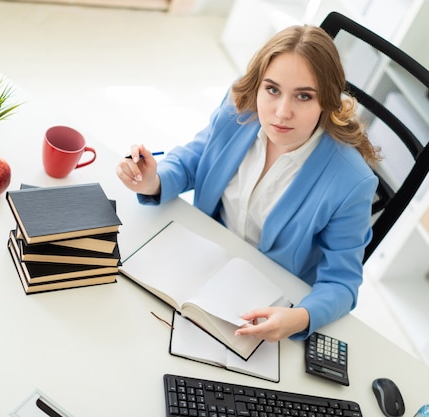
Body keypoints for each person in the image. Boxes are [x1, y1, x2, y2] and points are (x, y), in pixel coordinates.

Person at [116, 24, 380, 342]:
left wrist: (300, 317)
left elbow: (342, 283)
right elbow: (195, 159)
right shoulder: (239, 109)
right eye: (272, 90)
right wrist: (153, 180)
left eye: (304, 96)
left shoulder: (352, 182)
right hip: (199, 260)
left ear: (326, 101)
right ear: (258, 85)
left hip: (264, 297)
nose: (282, 112)